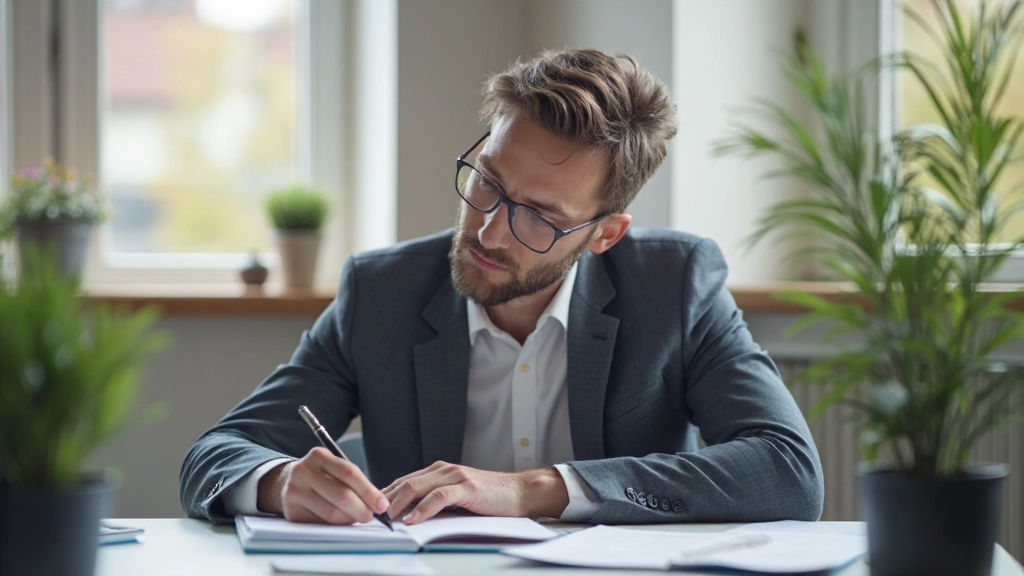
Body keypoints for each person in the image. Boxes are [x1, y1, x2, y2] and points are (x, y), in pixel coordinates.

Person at [180, 48, 824, 527]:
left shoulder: (675, 285)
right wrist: (278, 481)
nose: (487, 230)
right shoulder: (381, 292)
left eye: (539, 217)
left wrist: (533, 489)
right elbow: (214, 454)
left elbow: (789, 470)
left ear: (605, 233)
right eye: (487, 181)